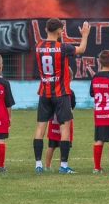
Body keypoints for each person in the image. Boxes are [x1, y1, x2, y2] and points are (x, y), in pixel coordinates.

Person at [33, 18, 91, 174]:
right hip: (61, 93)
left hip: (44, 92)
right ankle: (64, 166)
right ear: (60, 31)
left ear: (46, 30)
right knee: (64, 129)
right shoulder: (63, 47)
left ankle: (38, 164)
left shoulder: (38, 47)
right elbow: (81, 49)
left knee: (40, 128)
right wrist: (85, 35)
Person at [89, 50, 109, 174]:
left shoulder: (95, 77)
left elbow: (92, 93)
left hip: (99, 115)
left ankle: (97, 168)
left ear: (100, 63)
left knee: (99, 139)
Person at [45, 95, 75, 172]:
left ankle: (47, 166)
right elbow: (72, 105)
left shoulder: (51, 92)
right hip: (65, 119)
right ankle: (63, 165)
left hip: (54, 121)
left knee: (51, 146)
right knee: (64, 144)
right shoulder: (69, 92)